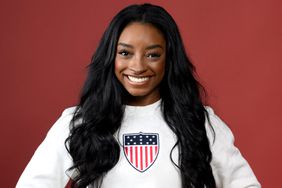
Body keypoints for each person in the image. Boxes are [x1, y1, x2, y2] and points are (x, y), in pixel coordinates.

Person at [16, 3, 261, 188]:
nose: (138, 66)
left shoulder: (199, 123)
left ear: (169, 60)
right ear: (111, 56)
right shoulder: (80, 123)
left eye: (153, 55)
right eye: (125, 53)